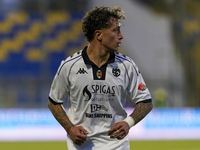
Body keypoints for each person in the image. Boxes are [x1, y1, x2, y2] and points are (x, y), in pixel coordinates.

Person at [48, 6, 153, 150]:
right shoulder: (69, 66)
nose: (121, 36)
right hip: (81, 146)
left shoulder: (126, 65)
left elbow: (146, 102)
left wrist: (128, 122)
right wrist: (70, 128)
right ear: (99, 35)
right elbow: (53, 102)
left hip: (117, 145)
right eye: (116, 30)